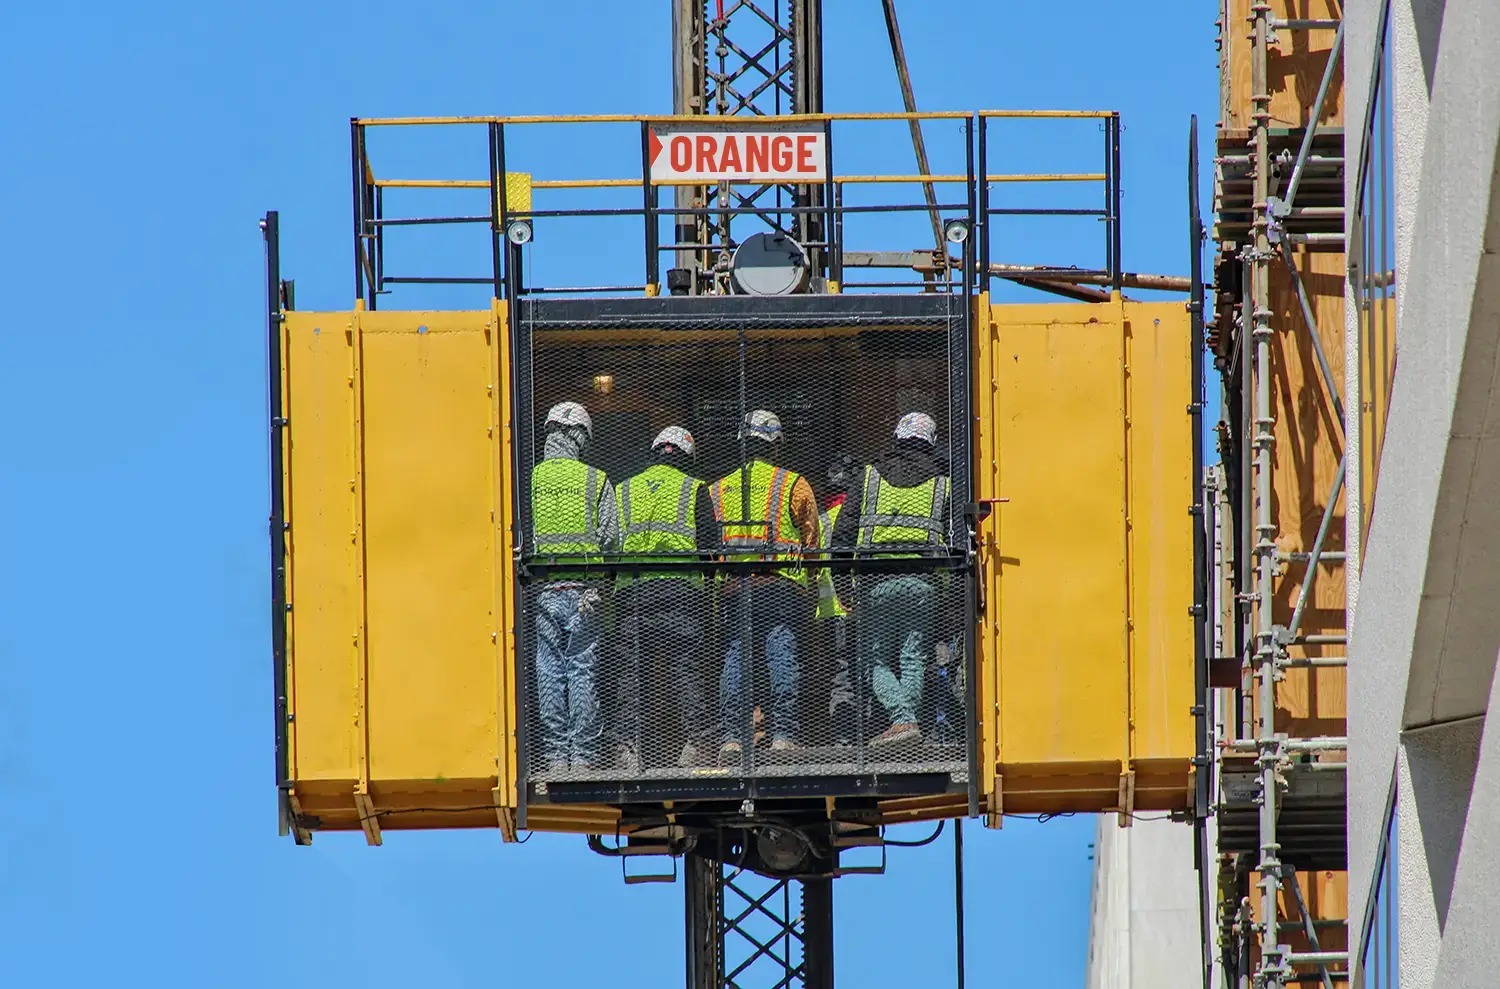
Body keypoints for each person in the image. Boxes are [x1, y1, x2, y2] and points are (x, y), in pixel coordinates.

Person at [833, 412, 951, 747]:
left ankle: (902, 720)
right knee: (914, 659)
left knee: (875, 661)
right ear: (931, 441)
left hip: (876, 581)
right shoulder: (944, 481)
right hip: (923, 584)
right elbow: (956, 536)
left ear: (897, 437)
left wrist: (841, 583)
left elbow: (843, 533)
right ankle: (907, 726)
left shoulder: (869, 476)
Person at [710, 410, 821, 763]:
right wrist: (812, 582)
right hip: (779, 586)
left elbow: (708, 546)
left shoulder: (718, 489)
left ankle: (732, 738)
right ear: (775, 446)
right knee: (781, 655)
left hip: (735, 588)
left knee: (736, 658)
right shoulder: (793, 483)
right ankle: (784, 736)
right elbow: (811, 540)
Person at [613, 426, 720, 768]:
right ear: (687, 456)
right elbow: (710, 545)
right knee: (685, 668)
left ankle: (628, 748)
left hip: (633, 593)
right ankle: (696, 744)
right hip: (681, 592)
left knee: (633, 672)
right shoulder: (694, 488)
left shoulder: (623, 489)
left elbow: (611, 543)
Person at [530, 401, 619, 772]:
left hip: (545, 593)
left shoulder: (532, 479)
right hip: (586, 592)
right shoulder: (596, 479)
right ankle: (582, 756)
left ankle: (555, 757)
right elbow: (610, 540)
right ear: (580, 437)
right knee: (581, 670)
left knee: (549, 671)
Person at [816, 453, 857, 746]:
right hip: (859, 606)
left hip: (829, 611)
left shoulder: (819, 522)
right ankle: (866, 733)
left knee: (840, 674)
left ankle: (843, 737)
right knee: (864, 669)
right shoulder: (861, 517)